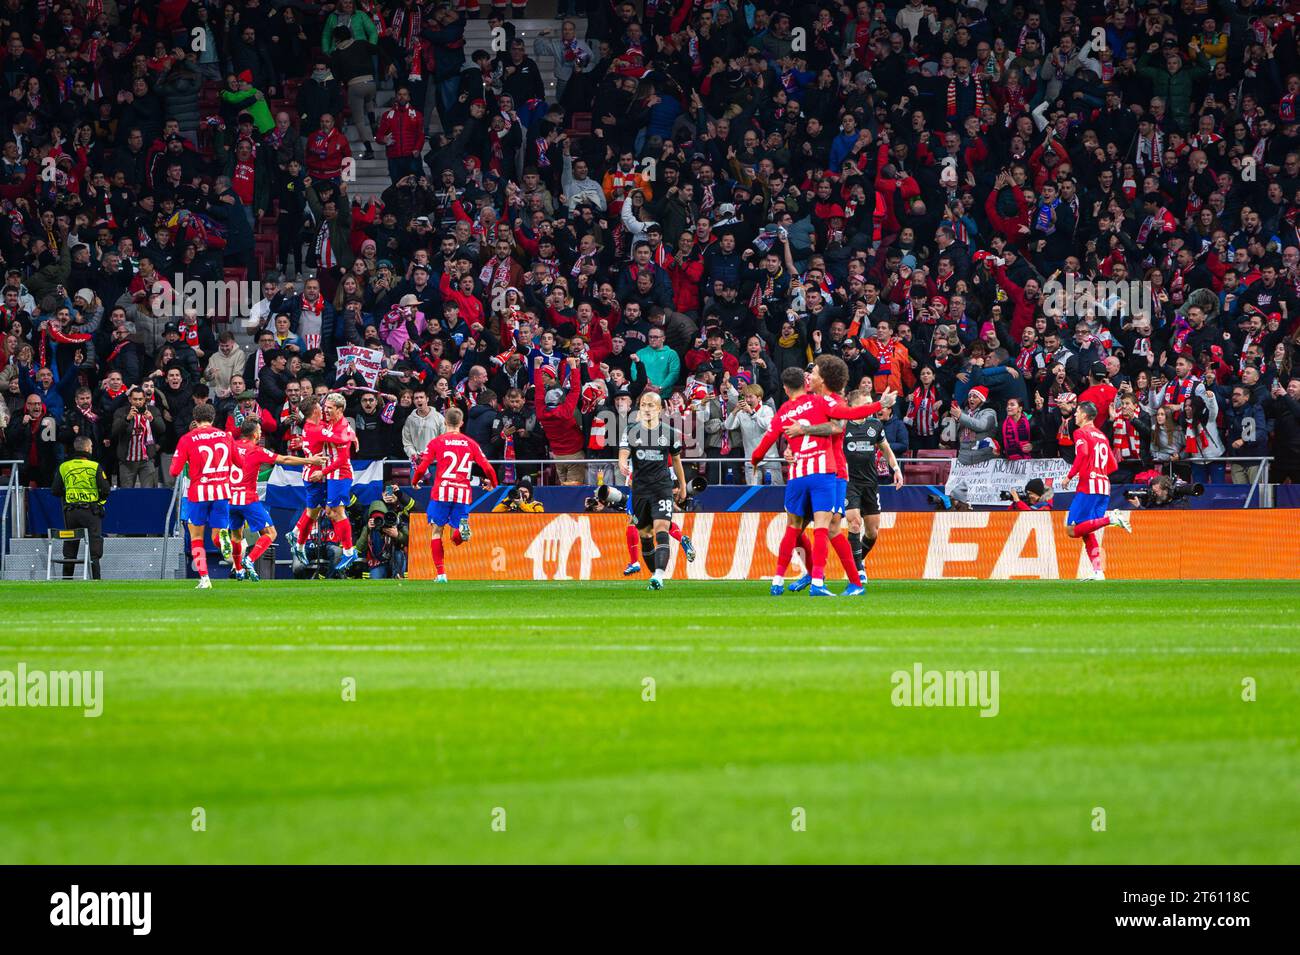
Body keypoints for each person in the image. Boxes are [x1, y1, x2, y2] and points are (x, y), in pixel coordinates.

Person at [228, 419, 323, 581]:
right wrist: (310, 460)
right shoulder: (256, 450)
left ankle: (238, 570)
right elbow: (285, 460)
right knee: (271, 533)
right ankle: (249, 560)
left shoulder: (229, 446)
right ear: (255, 434)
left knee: (236, 537)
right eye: (259, 431)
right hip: (248, 500)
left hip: (229, 500)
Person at [411, 406, 498, 583]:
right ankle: (460, 529)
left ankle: (441, 574)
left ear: (445, 422)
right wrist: (493, 483)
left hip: (442, 491)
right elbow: (487, 467)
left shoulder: (437, 442)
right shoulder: (471, 443)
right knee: (456, 534)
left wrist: (415, 481)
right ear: (462, 423)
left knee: (437, 531)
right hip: (462, 492)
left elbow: (422, 466)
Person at [617, 392, 689, 591]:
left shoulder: (670, 432)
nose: (647, 409)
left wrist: (682, 486)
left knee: (661, 528)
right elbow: (623, 452)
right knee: (645, 535)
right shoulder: (631, 431)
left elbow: (676, 461)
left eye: (651, 405)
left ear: (659, 409)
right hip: (640, 489)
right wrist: (622, 463)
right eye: (644, 405)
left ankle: (659, 575)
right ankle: (654, 575)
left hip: (661, 488)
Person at [168, 403, 236, 590]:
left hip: (198, 493)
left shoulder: (187, 439)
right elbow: (239, 461)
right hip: (222, 491)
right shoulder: (225, 436)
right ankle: (224, 539)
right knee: (217, 533)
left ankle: (205, 578)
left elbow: (174, 471)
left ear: (195, 420)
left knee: (196, 536)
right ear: (213, 418)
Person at [1065, 401, 1133, 582]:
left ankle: (1112, 519)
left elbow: (1083, 454)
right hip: (1104, 486)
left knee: (1072, 530)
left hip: (1088, 486)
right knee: (1087, 532)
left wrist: (1070, 476)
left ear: (1085, 415)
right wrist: (1098, 472)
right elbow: (1113, 465)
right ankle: (1098, 572)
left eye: (1078, 412)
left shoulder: (1081, 433)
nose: (1075, 415)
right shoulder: (1102, 435)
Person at [51, 436, 111, 579]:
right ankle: (95, 579)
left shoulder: (64, 466)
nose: (91, 449)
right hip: (91, 512)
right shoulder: (94, 466)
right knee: (94, 550)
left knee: (70, 549)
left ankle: (66, 580)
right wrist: (98, 503)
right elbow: (106, 489)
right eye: (90, 447)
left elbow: (55, 490)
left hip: (71, 513)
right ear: (86, 449)